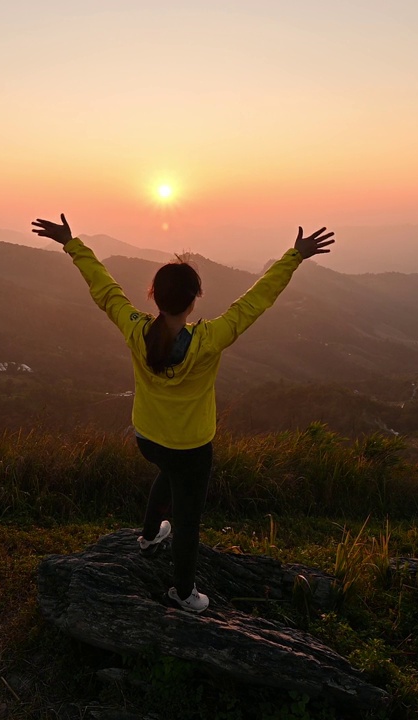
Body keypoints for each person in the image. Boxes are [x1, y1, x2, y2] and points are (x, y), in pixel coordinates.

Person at [31, 214, 335, 613]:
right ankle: (183, 593)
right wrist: (293, 258)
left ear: (154, 295)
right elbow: (255, 302)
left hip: (148, 439)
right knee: (188, 521)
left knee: (167, 473)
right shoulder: (208, 340)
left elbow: (105, 289)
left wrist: (72, 243)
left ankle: (149, 536)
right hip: (191, 447)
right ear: (194, 300)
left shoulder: (136, 329)